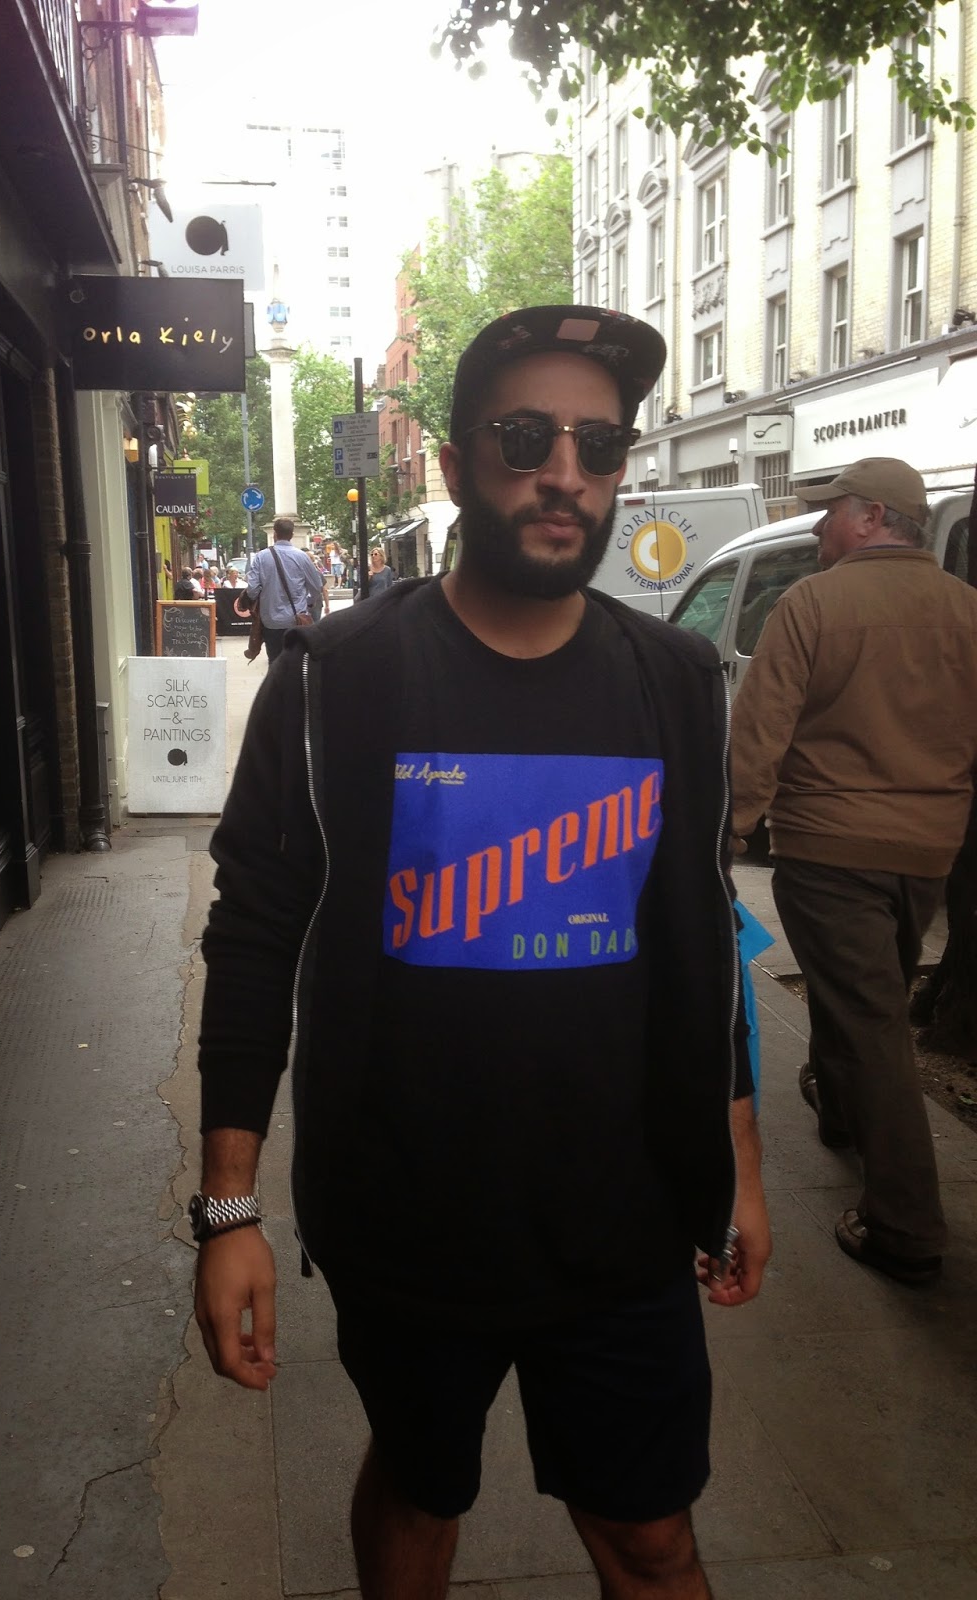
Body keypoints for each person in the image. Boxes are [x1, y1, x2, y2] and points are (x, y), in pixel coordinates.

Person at [194, 305, 769, 1600]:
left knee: (652, 1539)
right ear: (456, 465)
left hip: (622, 1228)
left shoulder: (679, 683)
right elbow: (254, 937)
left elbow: (702, 941)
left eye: (597, 445)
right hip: (408, 1227)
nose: (565, 472)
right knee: (418, 1491)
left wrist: (736, 1166)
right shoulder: (335, 681)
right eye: (525, 437)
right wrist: (229, 1209)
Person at [731, 457, 977, 1287]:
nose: (816, 524)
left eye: (830, 510)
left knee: (871, 1022)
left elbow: (758, 734)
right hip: (928, 853)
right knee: (867, 994)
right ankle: (837, 1107)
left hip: (830, 850)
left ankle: (905, 1226)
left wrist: (728, 836)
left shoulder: (812, 605)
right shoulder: (967, 610)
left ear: (872, 516)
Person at [244, 518, 325, 661]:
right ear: (292, 534)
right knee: (296, 663)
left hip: (270, 621)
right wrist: (309, 602)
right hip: (296, 619)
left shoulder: (261, 557)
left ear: (274, 534)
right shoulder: (302, 557)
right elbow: (317, 586)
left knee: (275, 661)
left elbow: (252, 590)